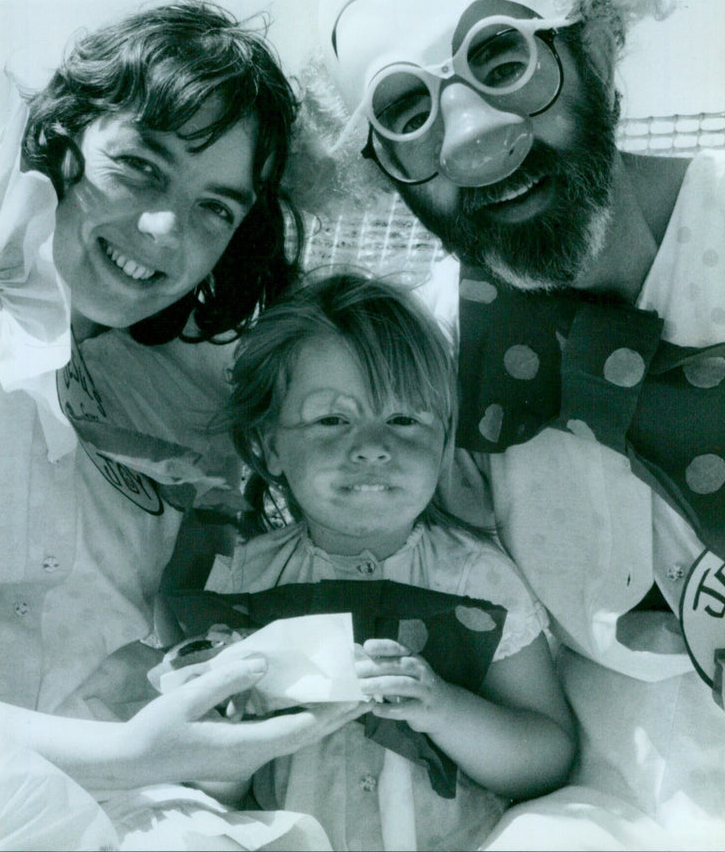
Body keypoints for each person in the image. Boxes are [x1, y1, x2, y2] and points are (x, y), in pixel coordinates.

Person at [307, 0, 725, 850]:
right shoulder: (422, 368)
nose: (477, 140)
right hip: (607, 815)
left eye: (501, 56)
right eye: (409, 110)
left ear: (593, 48)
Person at [0, 0, 365, 851]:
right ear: (63, 138)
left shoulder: (180, 392)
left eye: (216, 207)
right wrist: (126, 751)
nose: (165, 231)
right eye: (140, 166)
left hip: (130, 810)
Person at [192, 273, 577, 851]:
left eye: (403, 420)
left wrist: (445, 710)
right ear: (272, 445)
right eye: (332, 420)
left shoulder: (478, 580)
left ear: (443, 440)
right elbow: (204, 785)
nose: (373, 445)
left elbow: (547, 755)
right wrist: (234, 732)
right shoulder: (240, 583)